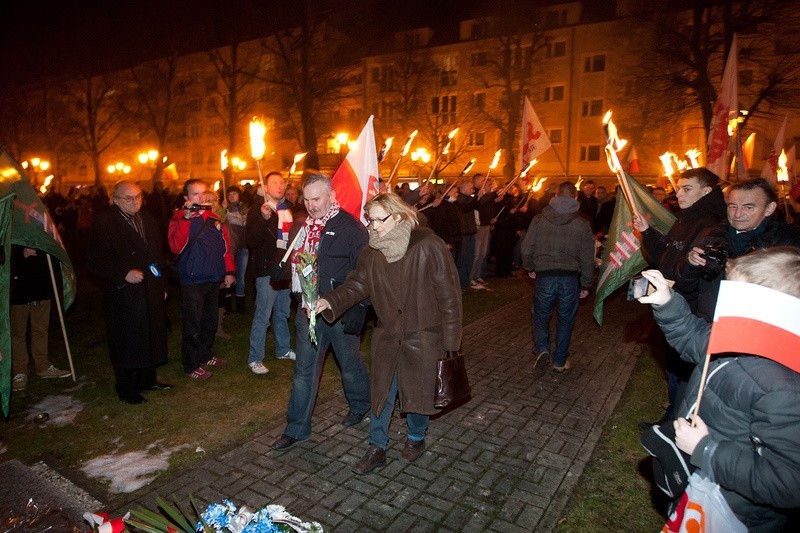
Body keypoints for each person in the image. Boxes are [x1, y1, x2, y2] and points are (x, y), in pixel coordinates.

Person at [638, 248, 800, 531]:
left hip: (731, 511)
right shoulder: (740, 336)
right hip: (699, 484)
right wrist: (666, 302)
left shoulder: (783, 390)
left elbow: (788, 483)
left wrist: (705, 449)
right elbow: (692, 338)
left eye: (738, 294)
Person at [315, 192, 462, 474]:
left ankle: (416, 438)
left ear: (397, 217)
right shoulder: (372, 252)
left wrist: (451, 341)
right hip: (387, 335)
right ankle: (377, 447)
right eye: (369, 220)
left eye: (378, 220)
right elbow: (357, 285)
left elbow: (449, 295)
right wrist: (329, 301)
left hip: (423, 336)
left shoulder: (429, 246)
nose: (372, 227)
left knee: (418, 394)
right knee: (382, 393)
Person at [270, 173, 371, 452]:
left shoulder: (350, 228)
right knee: (303, 372)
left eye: (317, 198)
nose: (311, 204)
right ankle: (296, 429)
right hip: (307, 312)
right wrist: (280, 268)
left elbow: (364, 274)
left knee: (349, 364)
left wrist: (351, 304)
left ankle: (362, 404)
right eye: (307, 199)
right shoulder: (301, 228)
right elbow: (292, 263)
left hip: (338, 312)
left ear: (331, 196)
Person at [633, 167, 726, 422]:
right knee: (675, 365)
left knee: (684, 368)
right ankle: (673, 416)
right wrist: (647, 231)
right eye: (678, 188)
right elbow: (664, 253)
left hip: (690, 310)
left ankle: (678, 421)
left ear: (706, 191)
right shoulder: (686, 219)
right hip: (674, 303)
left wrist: (677, 276)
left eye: (686, 189)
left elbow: (692, 269)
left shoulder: (710, 224)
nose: (678, 193)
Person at [87, 180, 171, 404]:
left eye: (138, 197)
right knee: (128, 339)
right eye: (128, 198)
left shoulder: (149, 220)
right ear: (115, 199)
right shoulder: (104, 223)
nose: (135, 202)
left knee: (151, 334)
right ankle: (126, 387)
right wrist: (122, 272)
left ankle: (147, 378)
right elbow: (95, 260)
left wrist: (162, 286)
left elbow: (158, 257)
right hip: (125, 292)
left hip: (150, 287)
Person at [680, 177, 800, 321]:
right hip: (709, 326)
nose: (737, 214)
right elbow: (685, 285)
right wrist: (690, 264)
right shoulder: (709, 233)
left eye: (748, 207)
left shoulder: (789, 243)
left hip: (759, 328)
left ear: (769, 208)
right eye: (732, 206)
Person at [521, 181, 595, 372]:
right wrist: (586, 284)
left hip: (544, 276)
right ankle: (560, 361)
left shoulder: (539, 219)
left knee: (540, 316)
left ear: (555, 195)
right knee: (565, 320)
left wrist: (529, 267)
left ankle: (542, 348)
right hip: (570, 279)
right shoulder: (582, 224)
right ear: (576, 197)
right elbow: (588, 256)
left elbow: (527, 247)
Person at [168, 179, 235, 380]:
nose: (201, 197)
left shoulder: (213, 218)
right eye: (195, 194)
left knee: (210, 321)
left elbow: (225, 247)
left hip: (212, 277)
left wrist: (229, 271)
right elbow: (176, 247)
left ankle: (205, 354)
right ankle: (191, 364)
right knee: (193, 324)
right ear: (187, 198)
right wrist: (186, 219)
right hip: (192, 279)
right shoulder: (179, 218)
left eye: (203, 192)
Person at [245, 172, 295, 375]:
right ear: (264, 187)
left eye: (282, 182)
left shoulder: (286, 209)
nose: (280, 186)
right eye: (274, 182)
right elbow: (252, 241)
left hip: (285, 268)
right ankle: (255, 358)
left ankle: (282, 349)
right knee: (263, 315)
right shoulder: (259, 209)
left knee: (283, 312)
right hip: (267, 269)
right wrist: (264, 219)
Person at [9, 245, 71, 392]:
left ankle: (42, 365)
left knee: (41, 329)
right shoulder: (12, 228)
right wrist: (21, 254)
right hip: (17, 289)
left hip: (41, 286)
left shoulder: (41, 226)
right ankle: (19, 371)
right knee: (18, 333)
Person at [225, 185, 249, 313]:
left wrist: (232, 213)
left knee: (241, 276)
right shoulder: (225, 210)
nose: (232, 196)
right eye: (229, 195)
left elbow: (243, 222)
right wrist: (225, 211)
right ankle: (227, 303)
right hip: (231, 247)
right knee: (230, 274)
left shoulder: (245, 209)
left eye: (234, 193)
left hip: (243, 246)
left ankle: (240, 304)